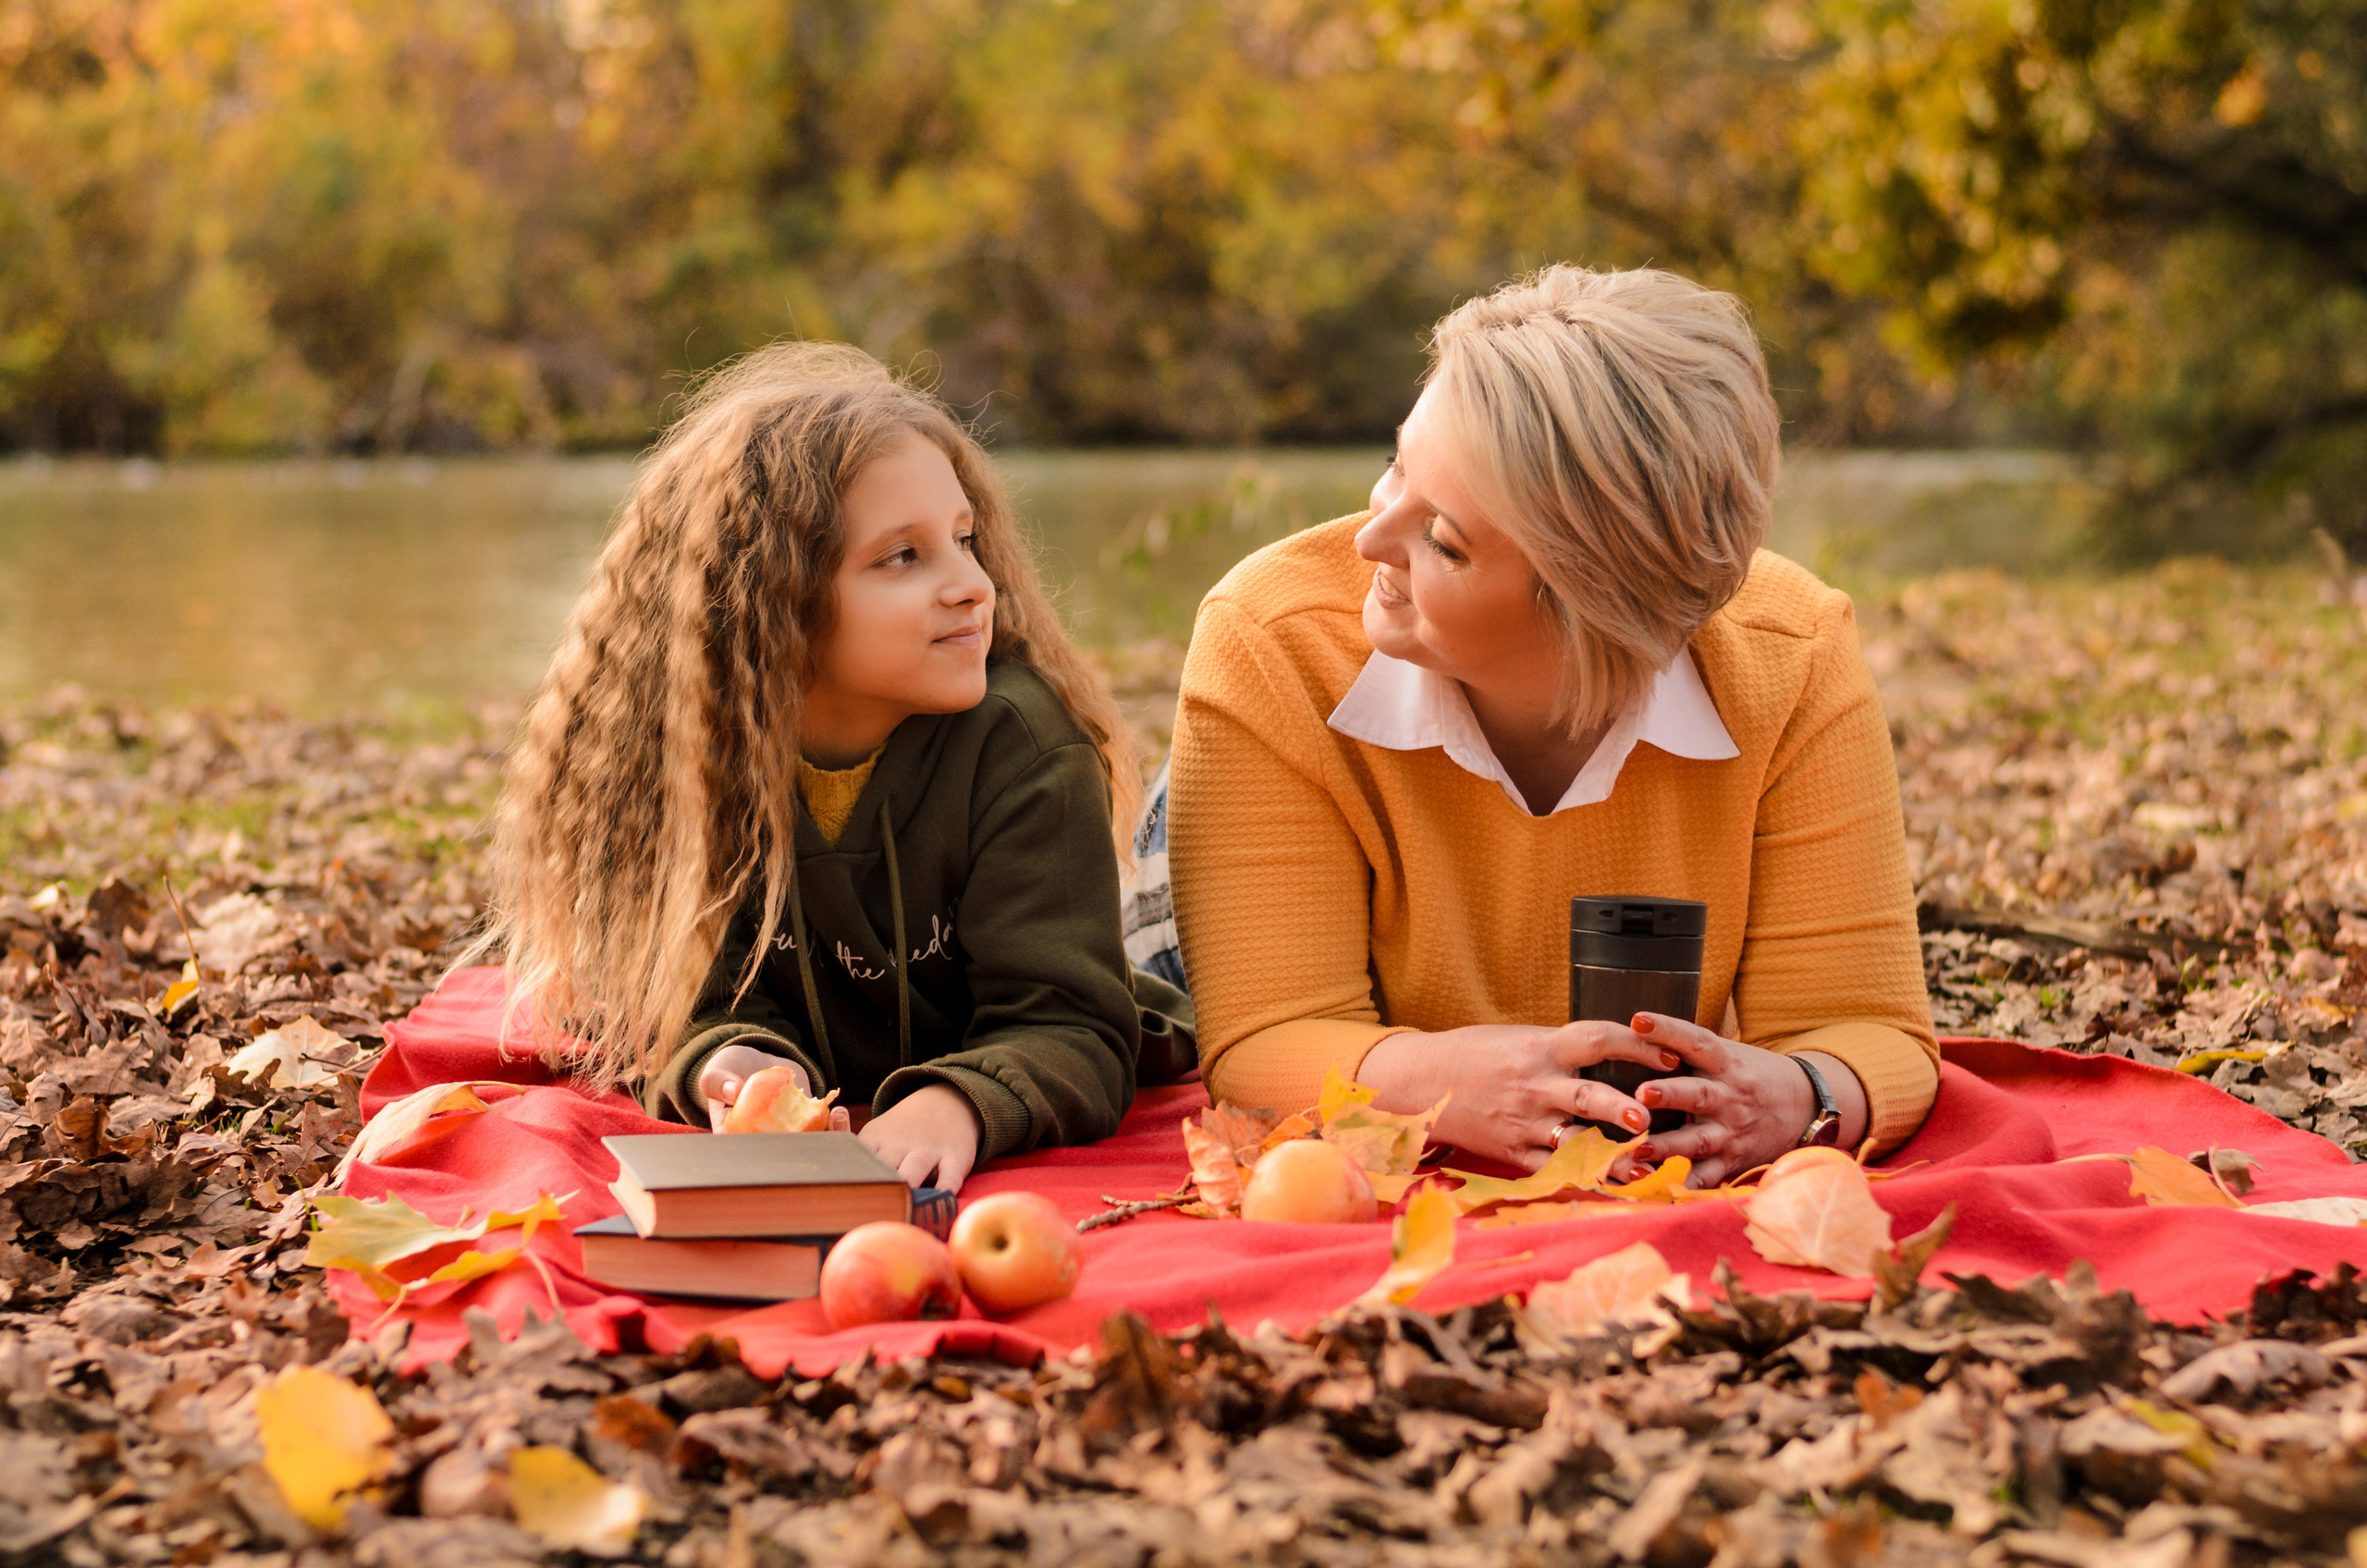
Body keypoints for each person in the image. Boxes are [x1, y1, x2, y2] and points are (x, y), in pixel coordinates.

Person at [1165, 265, 1936, 1186]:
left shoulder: (1793, 653)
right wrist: (1443, 1079)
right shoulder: (1268, 640)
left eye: (1443, 540)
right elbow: (1262, 1036)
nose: (1370, 538)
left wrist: (1799, 1090)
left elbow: (1865, 1027)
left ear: (1588, 613)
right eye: (1394, 463)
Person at [476, 342, 1189, 1192]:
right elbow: (697, 997)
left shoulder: (1023, 746)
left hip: (1021, 1066)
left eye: (964, 540)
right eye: (903, 557)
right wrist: (731, 1066)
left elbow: (1068, 1024)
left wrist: (958, 1104)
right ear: (772, 600)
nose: (972, 584)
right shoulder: (702, 761)